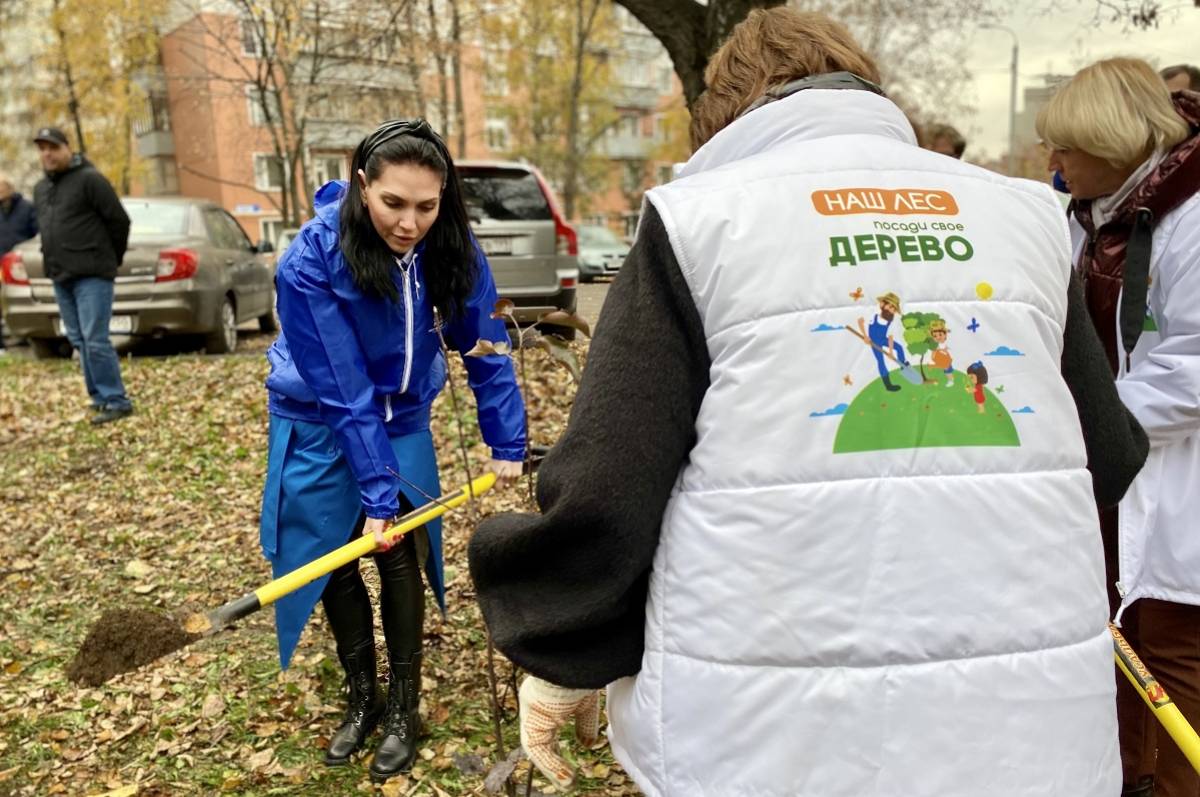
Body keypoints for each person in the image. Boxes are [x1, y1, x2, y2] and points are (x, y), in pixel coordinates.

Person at [467, 8, 1148, 796]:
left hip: (770, 740)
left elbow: (608, 491)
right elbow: (1111, 454)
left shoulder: (702, 220)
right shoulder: (1027, 217)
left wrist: (564, 650)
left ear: (727, 111)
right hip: (1031, 735)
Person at [260, 119, 525, 781]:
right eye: (393, 204)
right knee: (334, 556)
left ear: (444, 199)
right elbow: (344, 390)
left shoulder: (450, 245)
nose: (410, 222)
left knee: (398, 550)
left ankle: (406, 705)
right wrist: (374, 490)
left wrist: (506, 436)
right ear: (362, 188)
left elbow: (486, 342)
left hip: (402, 415)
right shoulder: (311, 259)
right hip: (319, 415)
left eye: (427, 206)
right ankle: (363, 696)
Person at [1038, 57, 1200, 797]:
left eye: (1067, 147)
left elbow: (1193, 367)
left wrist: (1082, 420)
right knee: (1110, 658)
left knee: (1171, 655)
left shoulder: (1190, 218)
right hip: (1102, 481)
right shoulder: (1087, 221)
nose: (1054, 163)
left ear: (1111, 142)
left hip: (1172, 484)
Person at [32, 127, 133, 424]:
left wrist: (109, 260)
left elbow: (119, 222)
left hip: (92, 275)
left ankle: (117, 399)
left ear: (67, 148)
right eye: (42, 149)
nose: (47, 154)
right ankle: (100, 398)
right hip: (60, 275)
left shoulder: (90, 180)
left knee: (95, 338)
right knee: (78, 339)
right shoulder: (42, 188)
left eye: (52, 147)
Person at [0, 174, 38, 354]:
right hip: (0, 264)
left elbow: (37, 234)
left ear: (10, 187)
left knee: (21, 300)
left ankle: (26, 337)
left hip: (19, 264)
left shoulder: (27, 208)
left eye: (1, 186)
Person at [857, 291, 909, 391]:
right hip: (874, 342)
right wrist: (865, 336)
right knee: (881, 361)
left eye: (893, 308)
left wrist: (890, 352)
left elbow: (890, 337)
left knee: (899, 347)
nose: (890, 310)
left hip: (883, 339)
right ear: (882, 305)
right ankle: (888, 385)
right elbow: (860, 321)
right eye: (889, 307)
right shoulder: (874, 317)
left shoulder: (890, 321)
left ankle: (903, 365)